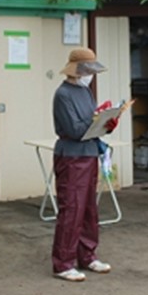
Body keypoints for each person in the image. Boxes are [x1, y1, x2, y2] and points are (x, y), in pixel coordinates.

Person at [51, 47, 117, 282]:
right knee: (72, 208)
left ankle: (87, 255)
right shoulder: (63, 94)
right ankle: (63, 262)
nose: (91, 75)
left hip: (88, 153)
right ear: (78, 70)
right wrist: (99, 121)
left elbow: (88, 125)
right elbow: (75, 130)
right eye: (88, 70)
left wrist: (107, 122)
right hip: (71, 156)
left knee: (89, 207)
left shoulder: (85, 91)